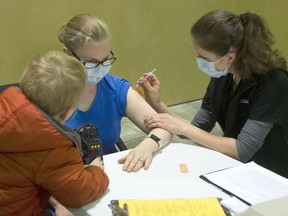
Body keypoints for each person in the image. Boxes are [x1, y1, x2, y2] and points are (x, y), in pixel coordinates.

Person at [140, 10, 288, 178]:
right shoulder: (223, 76)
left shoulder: (273, 83)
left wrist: (182, 127)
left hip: (273, 176)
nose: (199, 61)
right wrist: (157, 104)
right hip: (237, 167)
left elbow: (243, 149)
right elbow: (198, 128)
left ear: (230, 56)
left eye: (204, 57)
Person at [58, 14, 172, 173]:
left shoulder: (115, 88)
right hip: (62, 181)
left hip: (108, 177)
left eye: (105, 60)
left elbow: (164, 128)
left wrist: (148, 145)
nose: (100, 68)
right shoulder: (49, 93)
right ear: (68, 54)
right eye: (90, 62)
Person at [0, 51, 109, 215]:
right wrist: (96, 171)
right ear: (66, 113)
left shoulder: (5, 107)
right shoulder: (53, 145)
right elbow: (78, 194)